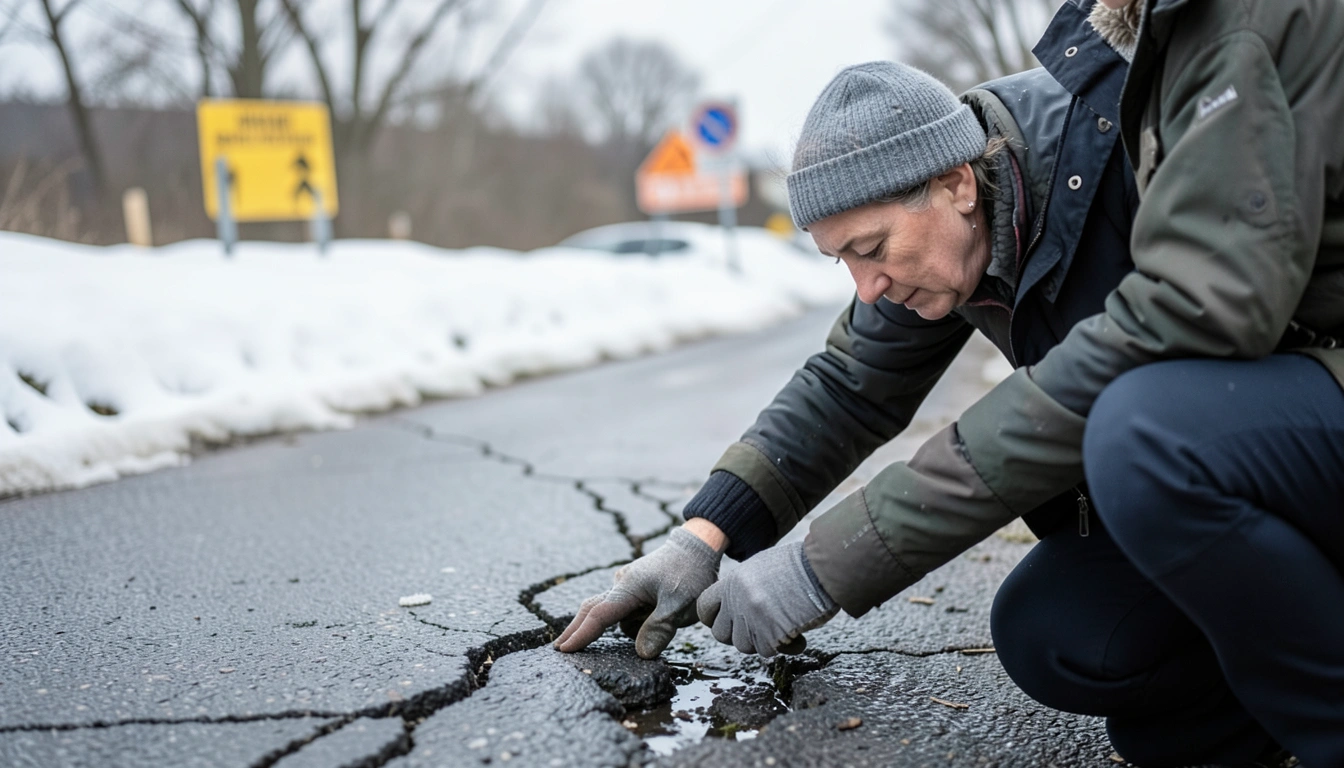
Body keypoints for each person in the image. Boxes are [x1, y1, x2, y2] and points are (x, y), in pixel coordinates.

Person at [560, 0, 1344, 764]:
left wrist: (820, 568)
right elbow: (850, 384)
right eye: (843, 260)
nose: (867, 286)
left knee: (1138, 431)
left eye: (873, 248)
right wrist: (701, 539)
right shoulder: (963, 222)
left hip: (1281, 416)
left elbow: (1161, 341)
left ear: (958, 185)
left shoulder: (1122, 136)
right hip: (1226, 453)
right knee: (1057, 635)